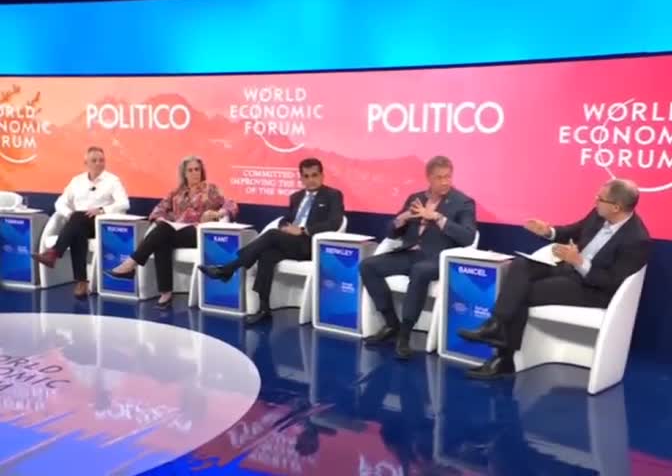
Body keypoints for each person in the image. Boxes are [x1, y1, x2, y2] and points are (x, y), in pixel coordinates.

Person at [458, 179, 651, 379]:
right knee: (521, 265)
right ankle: (496, 324)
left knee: (522, 291)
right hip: (569, 269)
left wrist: (580, 262)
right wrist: (548, 231)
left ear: (616, 207)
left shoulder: (637, 239)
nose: (595, 201)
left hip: (593, 290)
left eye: (600, 199)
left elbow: (613, 282)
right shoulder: (599, 214)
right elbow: (573, 231)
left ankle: (503, 358)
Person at [199, 158, 344, 325]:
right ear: (301, 178)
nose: (311, 180)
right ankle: (264, 309)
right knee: (266, 255)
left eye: (314, 175)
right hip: (290, 242)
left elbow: (335, 223)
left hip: (310, 245)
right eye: (306, 176)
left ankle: (228, 268)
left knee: (272, 235)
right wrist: (284, 227)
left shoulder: (333, 195)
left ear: (322, 175)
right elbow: (285, 219)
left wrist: (303, 230)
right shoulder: (296, 197)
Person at [359, 155, 477, 359]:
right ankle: (391, 324)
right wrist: (402, 219)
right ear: (429, 178)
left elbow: (468, 237)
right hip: (410, 253)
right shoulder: (416, 199)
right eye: (439, 177)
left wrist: (438, 218)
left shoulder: (463, 202)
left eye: (448, 177)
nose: (445, 182)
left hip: (437, 259)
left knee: (420, 271)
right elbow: (390, 232)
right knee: (367, 266)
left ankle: (405, 334)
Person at [107, 155, 238, 309]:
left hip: (198, 233)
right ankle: (166, 293)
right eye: (190, 170)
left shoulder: (210, 190)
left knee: (162, 232)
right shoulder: (176, 193)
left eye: (197, 169)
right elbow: (157, 211)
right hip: (176, 232)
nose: (195, 173)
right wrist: (163, 219)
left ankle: (131, 264)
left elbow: (231, 205)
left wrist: (218, 213)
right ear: (184, 173)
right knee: (162, 237)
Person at [33, 146, 129, 298]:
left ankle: (54, 254)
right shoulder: (77, 181)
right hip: (79, 223)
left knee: (77, 221)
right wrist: (69, 214)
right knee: (77, 228)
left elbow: (124, 203)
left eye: (101, 160)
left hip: (100, 224)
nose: (98, 163)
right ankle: (82, 283)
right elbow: (60, 203)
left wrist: (102, 210)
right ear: (86, 163)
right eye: (94, 160)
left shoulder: (112, 181)